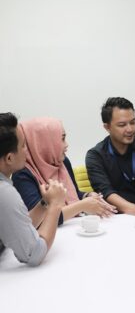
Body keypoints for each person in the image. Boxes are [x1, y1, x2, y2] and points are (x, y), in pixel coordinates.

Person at [12, 117, 117, 228]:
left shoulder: (62, 161)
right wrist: (82, 205)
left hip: (72, 228)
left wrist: (87, 195)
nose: (66, 144)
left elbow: (73, 194)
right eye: (62, 139)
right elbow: (40, 220)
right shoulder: (22, 174)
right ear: (44, 143)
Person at [0, 113, 66, 266]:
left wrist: (45, 203)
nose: (27, 151)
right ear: (9, 158)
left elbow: (18, 224)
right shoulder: (4, 192)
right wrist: (55, 205)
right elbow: (33, 255)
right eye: (23, 145)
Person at [86, 97, 135, 218]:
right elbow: (106, 193)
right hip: (116, 218)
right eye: (122, 125)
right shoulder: (95, 156)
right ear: (107, 127)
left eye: (133, 122)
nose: (130, 129)